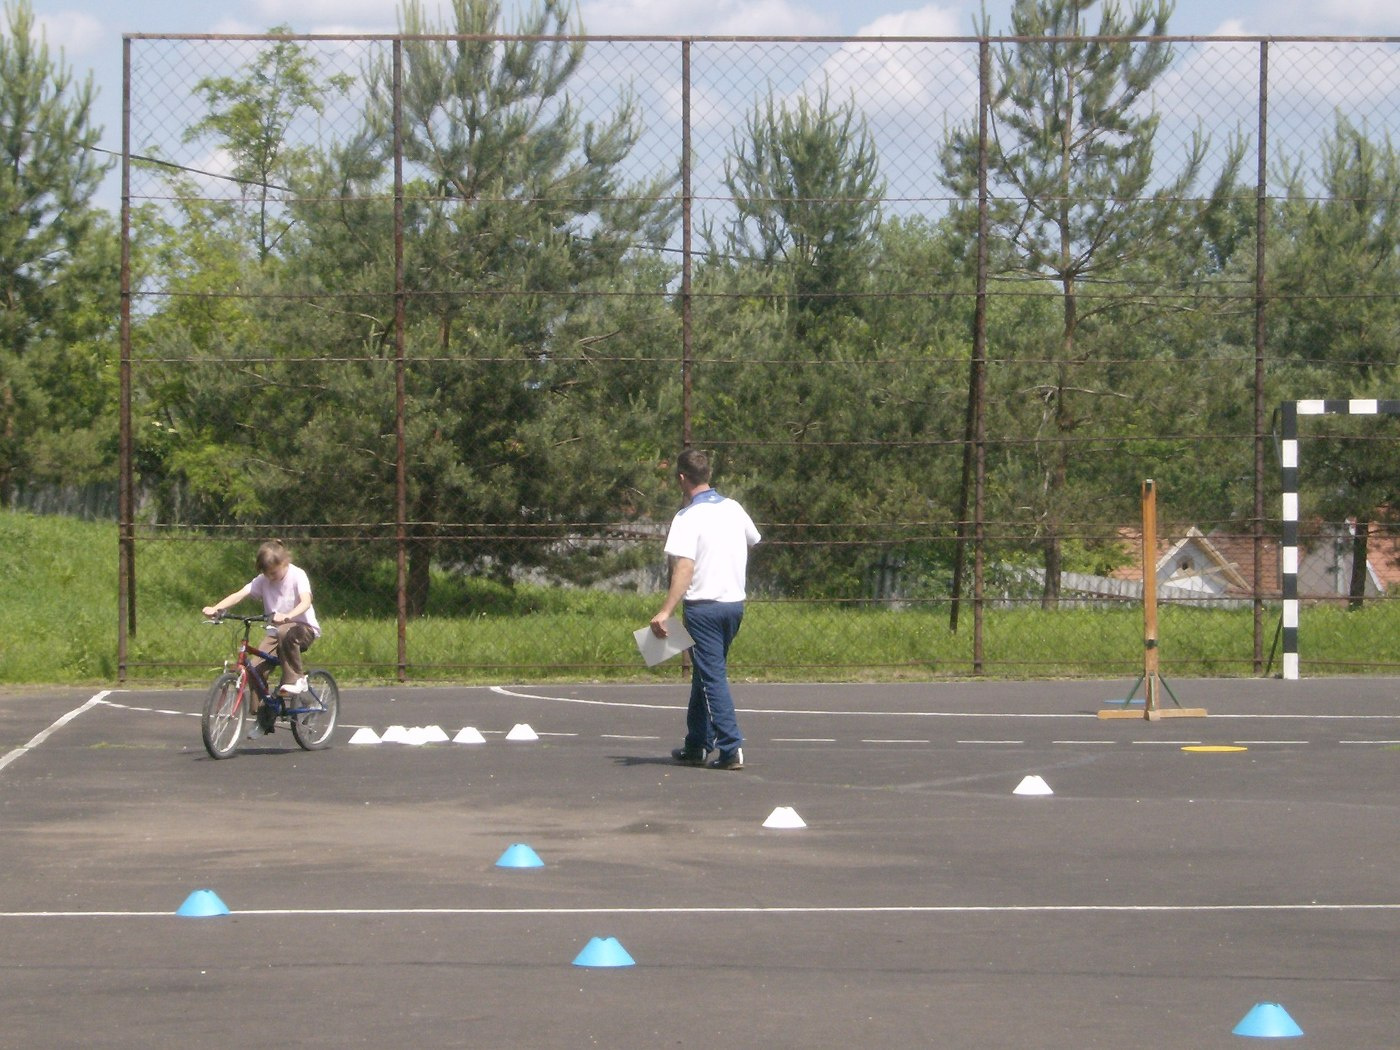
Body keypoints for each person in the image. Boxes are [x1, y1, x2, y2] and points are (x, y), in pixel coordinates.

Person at [650, 449, 761, 770]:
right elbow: (753, 539)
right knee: (705, 672)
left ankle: (730, 748)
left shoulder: (687, 517)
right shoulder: (734, 508)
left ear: (682, 478)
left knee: (713, 677)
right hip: (733, 606)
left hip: (703, 609)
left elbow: (684, 567)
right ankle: (697, 744)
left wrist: (666, 611)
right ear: (707, 475)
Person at [201, 540, 321, 738]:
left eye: (274, 573)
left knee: (285, 632)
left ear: (285, 562)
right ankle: (264, 717)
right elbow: (240, 594)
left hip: (302, 628)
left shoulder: (297, 575)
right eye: (267, 574)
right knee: (254, 668)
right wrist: (216, 608)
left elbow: (306, 601)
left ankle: (297, 679)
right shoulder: (263, 580)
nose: (270, 578)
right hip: (276, 632)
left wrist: (288, 616)